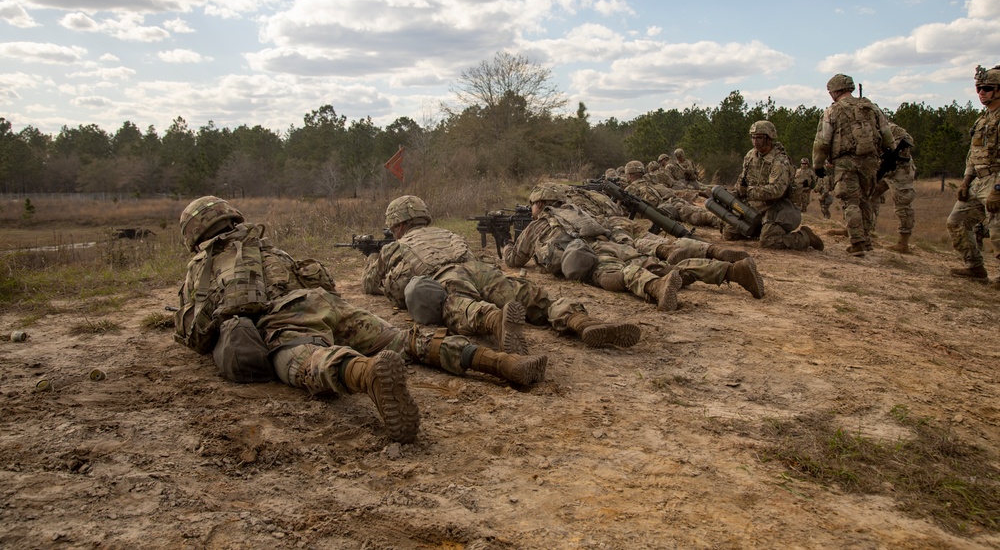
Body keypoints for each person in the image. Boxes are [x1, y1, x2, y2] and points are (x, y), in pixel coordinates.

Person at [173, 197, 541, 445]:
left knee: (309, 361)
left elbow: (195, 332)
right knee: (406, 339)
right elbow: (321, 280)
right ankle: (504, 363)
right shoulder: (267, 247)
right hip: (325, 304)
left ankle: (368, 375)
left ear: (194, 233)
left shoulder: (202, 267)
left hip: (281, 323)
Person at [362, 195, 640, 349]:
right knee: (531, 296)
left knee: (459, 305)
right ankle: (582, 322)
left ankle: (497, 321)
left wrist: (371, 256)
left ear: (397, 225)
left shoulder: (394, 247)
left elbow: (371, 283)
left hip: (446, 277)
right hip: (481, 270)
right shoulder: (445, 232)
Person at [502, 184, 764, 310]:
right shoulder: (578, 212)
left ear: (541, 203)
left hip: (588, 253)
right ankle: (731, 270)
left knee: (616, 275)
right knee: (654, 264)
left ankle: (656, 287)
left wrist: (507, 245)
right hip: (611, 242)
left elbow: (515, 261)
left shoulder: (536, 226)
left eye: (533, 204)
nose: (532, 208)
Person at [812, 73, 894, 256]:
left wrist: (817, 165)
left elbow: (823, 141)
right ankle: (866, 240)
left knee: (850, 201)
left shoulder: (832, 111)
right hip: (871, 161)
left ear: (835, 91)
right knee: (865, 199)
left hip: (845, 161)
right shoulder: (871, 107)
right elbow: (887, 134)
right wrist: (889, 153)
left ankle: (857, 243)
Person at [727, 121, 824, 252]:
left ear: (769, 138)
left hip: (779, 208)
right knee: (730, 234)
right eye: (753, 137)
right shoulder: (750, 156)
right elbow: (742, 180)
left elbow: (776, 191)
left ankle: (805, 237)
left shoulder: (779, 161)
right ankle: (763, 229)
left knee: (768, 242)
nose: (755, 141)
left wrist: (748, 192)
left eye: (759, 137)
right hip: (756, 207)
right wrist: (736, 192)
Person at [947, 64, 1000, 281]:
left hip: (996, 180)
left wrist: (998, 188)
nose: (981, 93)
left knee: (998, 231)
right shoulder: (983, 119)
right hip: (978, 181)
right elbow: (973, 153)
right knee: (956, 222)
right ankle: (975, 268)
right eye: (978, 88)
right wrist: (965, 181)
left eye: (986, 88)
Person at [621, 160, 719, 228]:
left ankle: (724, 221)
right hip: (674, 202)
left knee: (699, 216)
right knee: (701, 212)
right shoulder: (651, 181)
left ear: (629, 175)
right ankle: (722, 217)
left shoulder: (630, 189)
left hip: (668, 208)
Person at [877, 122, 916, 253]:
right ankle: (860, 232)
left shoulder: (889, 127)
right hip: (882, 170)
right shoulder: (865, 128)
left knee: (903, 205)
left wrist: (892, 153)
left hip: (900, 171)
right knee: (864, 197)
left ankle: (903, 243)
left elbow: (909, 139)